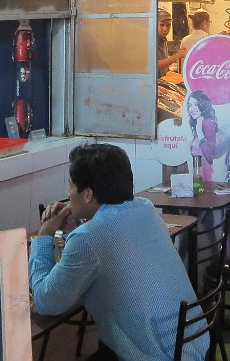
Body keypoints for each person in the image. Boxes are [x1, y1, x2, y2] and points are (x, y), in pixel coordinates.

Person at [31, 144, 207, 361]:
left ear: (87, 194)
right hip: (194, 343)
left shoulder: (89, 237)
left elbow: (47, 302)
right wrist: (77, 229)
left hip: (160, 355)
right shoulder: (145, 208)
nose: (68, 194)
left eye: (71, 185)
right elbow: (110, 244)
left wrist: (44, 236)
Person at [186, 90, 218, 182]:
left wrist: (199, 131)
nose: (192, 109)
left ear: (203, 105)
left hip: (206, 176)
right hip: (198, 175)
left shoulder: (207, 123)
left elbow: (210, 155)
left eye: (196, 104)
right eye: (190, 105)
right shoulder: (198, 124)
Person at [156, 9, 186, 76]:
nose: (165, 29)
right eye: (162, 25)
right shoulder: (152, 42)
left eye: (168, 25)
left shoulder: (163, 40)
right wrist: (175, 57)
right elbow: (155, 65)